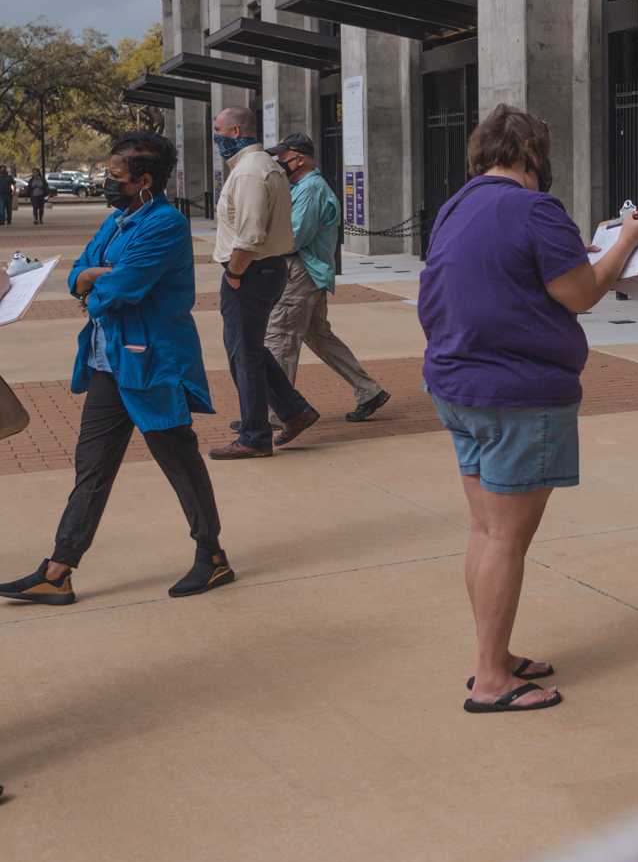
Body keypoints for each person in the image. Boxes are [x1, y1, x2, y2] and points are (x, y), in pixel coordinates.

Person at [418, 105, 638, 713]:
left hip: (456, 384)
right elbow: (578, 293)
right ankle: (493, 680)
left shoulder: (457, 205)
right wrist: (627, 240)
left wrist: (591, 247)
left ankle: (489, 657)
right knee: (506, 540)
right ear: (531, 154)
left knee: (483, 531)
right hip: (518, 393)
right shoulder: (535, 208)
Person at [0, 132, 234, 608]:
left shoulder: (164, 224)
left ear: (145, 181)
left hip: (151, 364)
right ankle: (58, 571)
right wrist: (87, 278)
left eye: (115, 177)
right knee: (92, 467)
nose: (109, 183)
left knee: (180, 463)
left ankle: (212, 557)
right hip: (107, 363)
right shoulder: (119, 220)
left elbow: (121, 289)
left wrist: (93, 283)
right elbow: (79, 273)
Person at [206, 106, 319, 461]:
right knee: (249, 349)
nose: (216, 135)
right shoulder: (259, 167)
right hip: (262, 269)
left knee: (244, 353)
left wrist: (235, 273)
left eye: (219, 129)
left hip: (251, 271)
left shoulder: (251, 172)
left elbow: (250, 235)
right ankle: (292, 411)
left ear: (236, 131)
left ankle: (255, 436)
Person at [262, 133, 391, 422]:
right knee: (319, 336)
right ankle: (368, 390)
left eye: (284, 155)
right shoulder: (302, 186)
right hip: (309, 272)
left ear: (301, 158)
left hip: (301, 273)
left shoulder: (311, 189)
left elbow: (293, 238)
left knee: (281, 338)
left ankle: (275, 413)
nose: (280, 161)